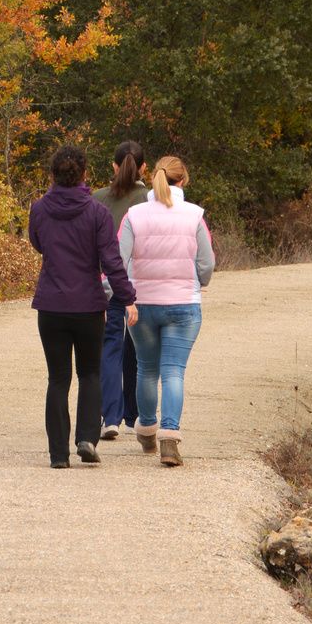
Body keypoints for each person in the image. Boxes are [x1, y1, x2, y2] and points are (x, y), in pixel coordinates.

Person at [29, 145, 137, 469]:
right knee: (90, 372)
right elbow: (112, 261)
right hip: (88, 305)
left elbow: (37, 243)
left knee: (57, 378)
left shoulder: (39, 209)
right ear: (85, 175)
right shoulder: (97, 213)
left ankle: (58, 455)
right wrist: (127, 296)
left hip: (50, 304)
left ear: (52, 175)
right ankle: (87, 438)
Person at [118, 155, 214, 467]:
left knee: (146, 368)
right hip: (183, 304)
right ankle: (170, 437)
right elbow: (206, 263)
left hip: (142, 303)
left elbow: (120, 259)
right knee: (174, 371)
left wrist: (123, 293)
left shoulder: (134, 215)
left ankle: (146, 428)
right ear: (183, 180)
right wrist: (198, 281)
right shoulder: (194, 215)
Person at [97, 140, 149, 440]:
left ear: (114, 166)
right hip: (142, 285)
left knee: (111, 347)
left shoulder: (98, 199)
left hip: (106, 284)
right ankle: (135, 413)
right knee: (139, 349)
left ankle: (111, 415)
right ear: (144, 167)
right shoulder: (151, 200)